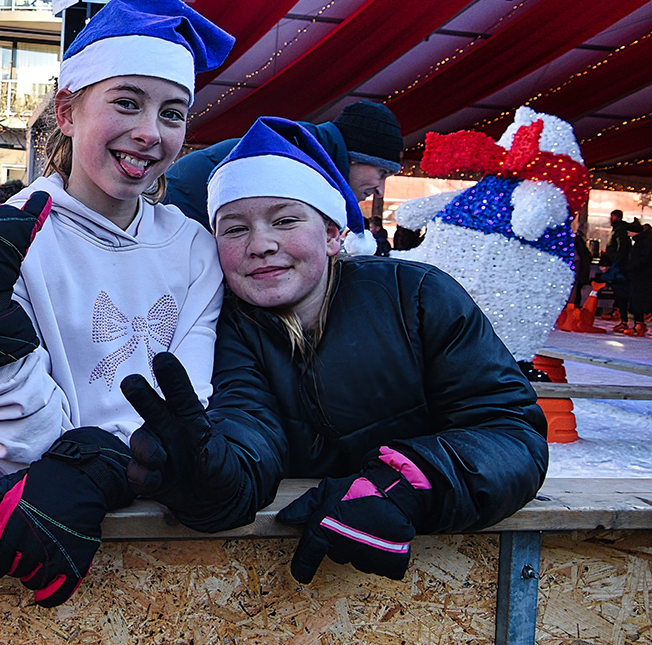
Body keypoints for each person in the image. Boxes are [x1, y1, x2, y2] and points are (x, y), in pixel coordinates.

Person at [0, 0, 235, 606]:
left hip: (163, 535)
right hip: (43, 514)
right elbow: (13, 427)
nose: (148, 132)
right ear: (66, 111)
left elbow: (193, 395)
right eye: (127, 103)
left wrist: (144, 462)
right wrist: (77, 464)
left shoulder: (193, 246)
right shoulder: (12, 237)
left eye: (171, 114)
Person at [119, 117, 548, 584]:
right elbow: (249, 427)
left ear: (331, 234)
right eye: (234, 229)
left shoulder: (418, 297)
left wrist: (405, 483)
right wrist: (213, 472)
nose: (261, 244)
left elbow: (510, 431)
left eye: (285, 220)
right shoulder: (231, 331)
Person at [163, 100, 404, 231]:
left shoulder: (306, 148)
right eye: (381, 173)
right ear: (353, 157)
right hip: (179, 220)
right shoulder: (298, 158)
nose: (380, 190)